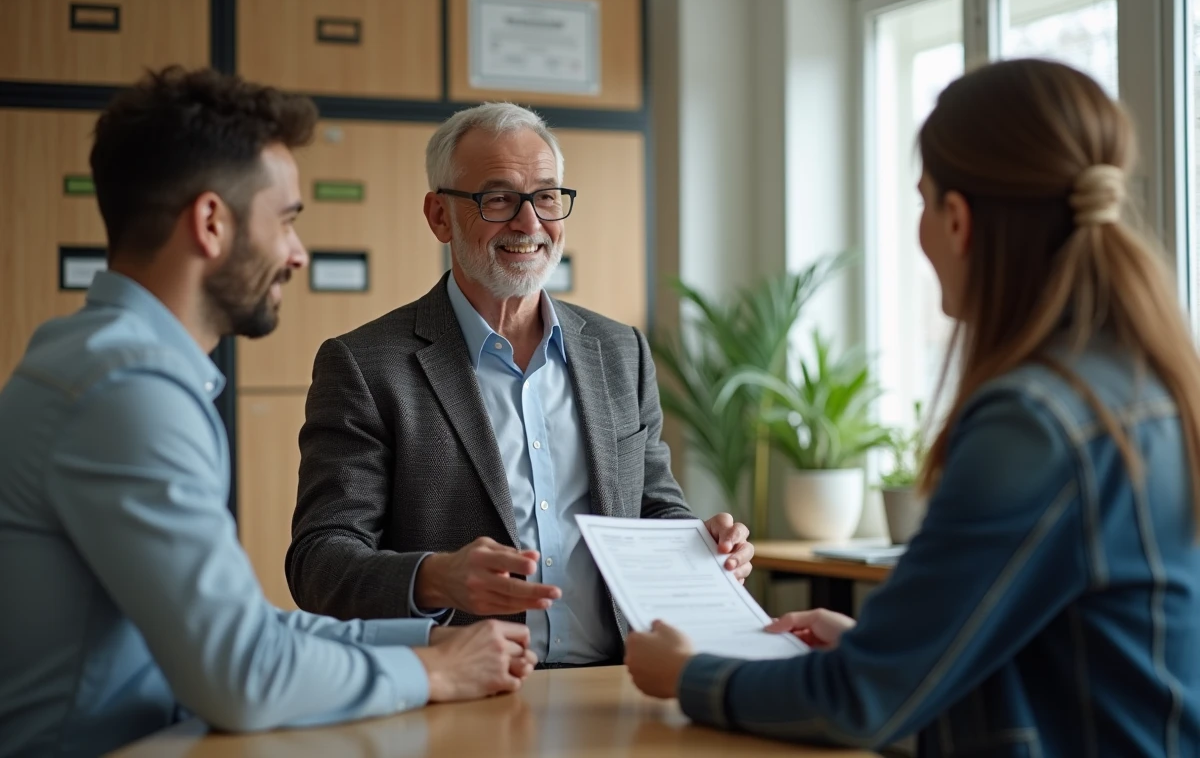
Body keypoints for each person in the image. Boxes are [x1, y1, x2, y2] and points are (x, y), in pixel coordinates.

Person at [623, 58, 1200, 756]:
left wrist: (687, 674)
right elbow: (1064, 643)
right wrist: (877, 648)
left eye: (923, 203)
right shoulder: (1146, 383)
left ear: (957, 220)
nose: (920, 230)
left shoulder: (1033, 423)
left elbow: (860, 701)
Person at [0, 67, 535, 758]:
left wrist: (427, 640)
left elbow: (244, 630)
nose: (298, 254)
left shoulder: (96, 357)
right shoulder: (127, 390)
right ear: (211, 223)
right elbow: (242, 675)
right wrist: (432, 672)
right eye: (285, 221)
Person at [286, 102, 755, 668]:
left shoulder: (620, 351)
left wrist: (700, 545)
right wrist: (435, 578)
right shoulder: (366, 365)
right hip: (464, 685)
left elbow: (653, 507)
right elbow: (319, 562)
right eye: (498, 198)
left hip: (616, 682)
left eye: (547, 197)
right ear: (440, 216)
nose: (530, 223)